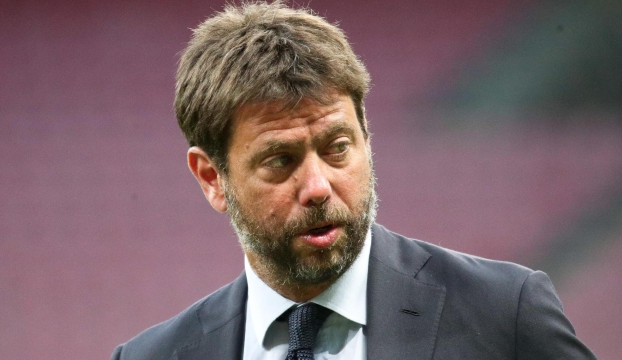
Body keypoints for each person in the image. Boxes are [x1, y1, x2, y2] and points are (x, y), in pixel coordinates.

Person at [110, 2, 596, 359]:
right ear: (212, 177)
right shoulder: (151, 358)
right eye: (280, 160)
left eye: (337, 147)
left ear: (366, 134)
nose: (318, 187)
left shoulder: (504, 315)